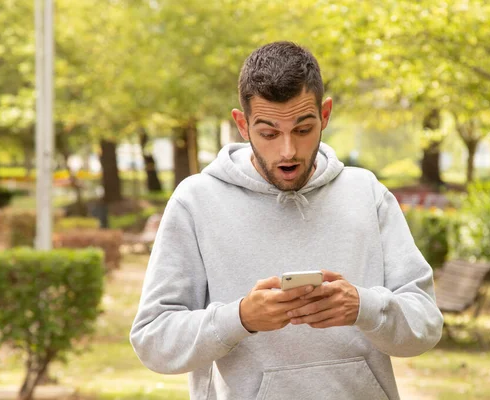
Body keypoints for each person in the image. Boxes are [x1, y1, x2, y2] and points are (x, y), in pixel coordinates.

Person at [130, 41, 443, 400]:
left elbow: (426, 324)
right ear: (242, 124)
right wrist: (241, 318)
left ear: (324, 115)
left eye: (302, 129)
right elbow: (153, 339)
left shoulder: (366, 192)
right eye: (268, 133)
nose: (288, 151)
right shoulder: (196, 201)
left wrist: (364, 307)